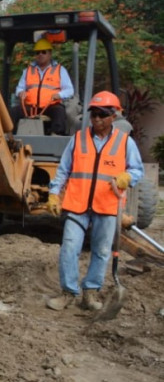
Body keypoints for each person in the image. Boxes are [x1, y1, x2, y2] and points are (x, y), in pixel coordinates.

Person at [45, 91, 144, 312]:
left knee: (101, 251)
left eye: (102, 114)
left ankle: (89, 294)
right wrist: (53, 193)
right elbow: (63, 171)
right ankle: (68, 293)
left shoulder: (125, 142)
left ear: (114, 116)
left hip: (107, 206)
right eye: (94, 115)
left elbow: (137, 170)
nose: (97, 119)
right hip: (77, 204)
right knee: (69, 248)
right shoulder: (78, 139)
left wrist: (127, 177)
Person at [10, 37, 74, 135]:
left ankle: (56, 136)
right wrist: (20, 92)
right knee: (14, 112)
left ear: (50, 54)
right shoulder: (27, 71)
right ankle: (9, 136)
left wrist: (59, 95)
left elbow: (69, 90)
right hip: (30, 107)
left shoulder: (60, 70)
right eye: (37, 52)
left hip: (50, 106)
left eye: (43, 52)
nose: (40, 54)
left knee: (59, 111)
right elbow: (19, 88)